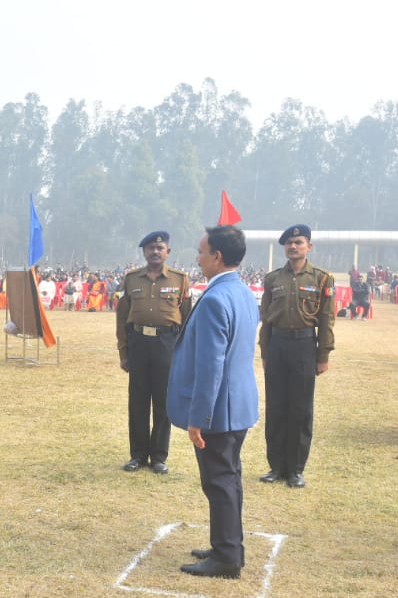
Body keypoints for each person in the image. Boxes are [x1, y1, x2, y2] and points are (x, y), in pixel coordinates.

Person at [167, 225, 259, 579]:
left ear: (217, 256)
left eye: (202, 251)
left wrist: (198, 418)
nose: (198, 257)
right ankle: (228, 545)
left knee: (219, 482)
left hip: (219, 410)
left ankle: (226, 557)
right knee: (229, 479)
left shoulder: (217, 299)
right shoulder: (242, 292)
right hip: (238, 405)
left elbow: (210, 366)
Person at [258, 224, 335, 488]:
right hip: (277, 345)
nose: (293, 247)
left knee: (301, 410)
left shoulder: (322, 279)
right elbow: (266, 318)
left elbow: (326, 318)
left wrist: (322, 354)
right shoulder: (273, 279)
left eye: (299, 242)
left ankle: (296, 470)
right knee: (276, 407)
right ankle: (276, 467)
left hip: (304, 345)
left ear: (309, 247)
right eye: (289, 243)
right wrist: (265, 352)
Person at [116, 230, 191, 474]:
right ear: (144, 252)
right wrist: (124, 352)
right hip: (138, 342)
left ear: (168, 252)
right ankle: (137, 455)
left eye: (160, 248)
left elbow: (187, 319)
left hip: (167, 344)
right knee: (137, 400)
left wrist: (184, 354)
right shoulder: (131, 279)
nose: (155, 252)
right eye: (150, 248)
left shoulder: (180, 279)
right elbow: (122, 318)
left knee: (163, 401)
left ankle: (159, 456)